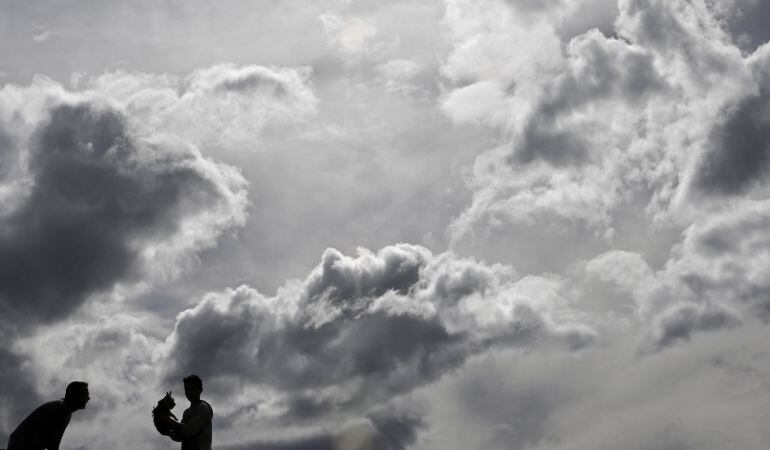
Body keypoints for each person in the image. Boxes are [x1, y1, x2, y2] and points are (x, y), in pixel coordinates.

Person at [6, 381, 90, 450]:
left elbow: (54, 441)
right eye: (85, 394)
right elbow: (53, 444)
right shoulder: (62, 410)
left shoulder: (64, 411)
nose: (88, 398)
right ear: (75, 395)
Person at [169, 375, 212, 450]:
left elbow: (190, 430)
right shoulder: (186, 412)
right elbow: (180, 436)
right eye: (186, 389)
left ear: (200, 390)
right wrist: (169, 431)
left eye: (192, 389)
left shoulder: (203, 408)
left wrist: (170, 422)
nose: (189, 392)